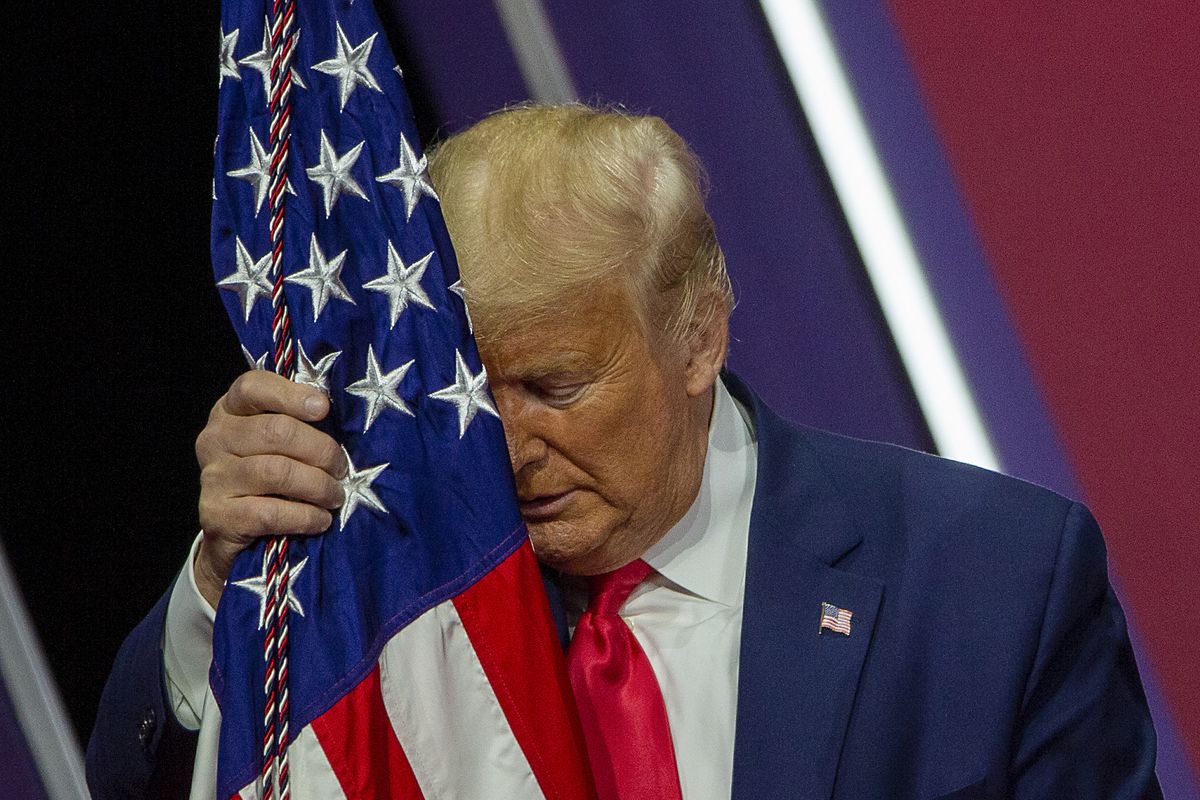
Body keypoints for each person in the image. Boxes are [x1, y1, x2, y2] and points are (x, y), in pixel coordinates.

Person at [87, 104, 1162, 799]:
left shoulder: (992, 581)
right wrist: (221, 585)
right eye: (469, 399)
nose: (509, 451)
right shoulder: (393, 584)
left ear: (698, 335)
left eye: (554, 388)